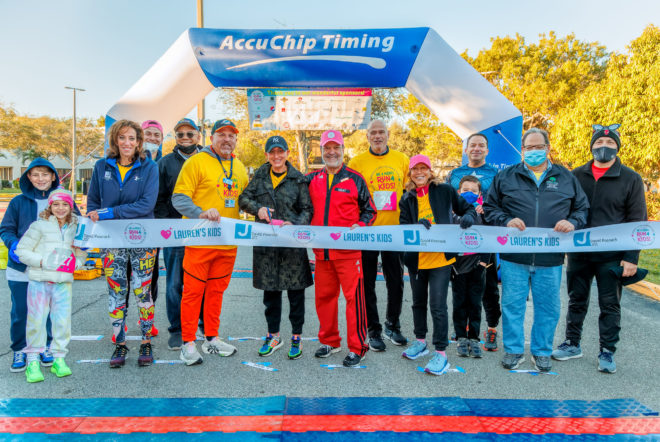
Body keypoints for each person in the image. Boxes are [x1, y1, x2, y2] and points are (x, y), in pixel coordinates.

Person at [484, 128, 589, 372]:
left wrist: (572, 222)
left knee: (548, 308)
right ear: (522, 150)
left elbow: (582, 210)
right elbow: (490, 208)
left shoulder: (565, 177)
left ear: (547, 148)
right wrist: (506, 220)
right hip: (514, 256)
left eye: (537, 147)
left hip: (550, 258)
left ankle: (541, 351)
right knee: (512, 306)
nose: (533, 151)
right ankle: (513, 350)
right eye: (528, 148)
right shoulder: (506, 177)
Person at [552, 124, 647, 373]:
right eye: (598, 144)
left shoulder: (631, 178)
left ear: (617, 147)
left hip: (612, 255)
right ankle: (572, 343)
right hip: (579, 252)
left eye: (610, 144)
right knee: (576, 300)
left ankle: (607, 351)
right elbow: (564, 209)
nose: (603, 148)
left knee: (610, 304)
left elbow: (637, 220)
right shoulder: (576, 175)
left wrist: (631, 257)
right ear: (591, 146)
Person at [172, 119, 249, 366]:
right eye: (221, 134)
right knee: (193, 293)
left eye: (231, 135)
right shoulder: (196, 162)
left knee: (216, 292)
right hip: (199, 241)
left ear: (236, 139)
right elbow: (179, 198)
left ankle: (211, 338)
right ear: (211, 137)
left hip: (228, 244)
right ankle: (187, 343)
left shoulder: (238, 166)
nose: (227, 139)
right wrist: (200, 212)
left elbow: (243, 200)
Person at [87, 119, 159, 368]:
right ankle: (119, 343)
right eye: (122, 138)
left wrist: (110, 213)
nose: (127, 143)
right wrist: (100, 215)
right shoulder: (101, 166)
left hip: (143, 239)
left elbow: (146, 205)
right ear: (115, 140)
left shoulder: (149, 167)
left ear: (139, 142)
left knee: (142, 291)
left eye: (132, 138)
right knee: (116, 292)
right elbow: (93, 204)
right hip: (111, 241)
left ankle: (146, 340)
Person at [399, 154, 476, 375]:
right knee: (417, 303)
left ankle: (441, 352)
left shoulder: (444, 190)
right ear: (410, 173)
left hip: (440, 259)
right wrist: (416, 225)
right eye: (415, 169)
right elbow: (404, 228)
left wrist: (469, 216)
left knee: (438, 305)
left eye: (424, 168)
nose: (419, 172)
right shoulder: (406, 198)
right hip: (417, 260)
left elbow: (467, 208)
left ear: (431, 172)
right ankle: (420, 341)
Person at [239, 135, 313, 359]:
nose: (277, 156)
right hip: (267, 247)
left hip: (292, 246)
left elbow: (307, 210)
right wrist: (257, 209)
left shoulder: (298, 179)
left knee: (295, 295)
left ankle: (296, 337)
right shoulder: (260, 175)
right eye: (272, 152)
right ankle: (273, 336)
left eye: (280, 152)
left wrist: (295, 224)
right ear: (267, 155)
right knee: (270, 295)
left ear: (287, 154)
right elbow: (243, 199)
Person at [307, 129, 376, 367]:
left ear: (343, 150)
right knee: (324, 298)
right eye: (327, 148)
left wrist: (362, 223)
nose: (332, 152)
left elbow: (370, 210)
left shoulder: (356, 179)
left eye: (336, 147)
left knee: (353, 300)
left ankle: (357, 347)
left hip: (349, 254)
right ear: (322, 151)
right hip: (321, 252)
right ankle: (330, 341)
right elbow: (301, 208)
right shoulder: (312, 179)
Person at [347, 119, 410, 350]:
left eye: (381, 132)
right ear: (367, 137)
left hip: (393, 231)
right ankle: (373, 330)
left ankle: (392, 325)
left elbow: (409, 192)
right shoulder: (357, 161)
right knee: (368, 283)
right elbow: (352, 197)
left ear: (388, 134)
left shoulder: (402, 159)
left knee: (396, 282)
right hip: (368, 232)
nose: (377, 136)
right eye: (372, 132)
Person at [15, 189, 86, 382]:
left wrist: (76, 264)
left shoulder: (76, 227)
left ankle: (59, 359)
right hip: (39, 281)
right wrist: (42, 262)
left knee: (62, 322)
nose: (60, 208)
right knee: (36, 321)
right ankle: (32, 361)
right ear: (50, 206)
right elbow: (22, 250)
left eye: (65, 204)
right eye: (56, 204)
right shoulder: (39, 226)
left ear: (71, 207)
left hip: (62, 283)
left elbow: (81, 253)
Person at [0, 159, 62, 372]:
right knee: (21, 311)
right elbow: (6, 229)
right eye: (35, 174)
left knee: (47, 311)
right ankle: (20, 349)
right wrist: (13, 245)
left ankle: (45, 346)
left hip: (50, 268)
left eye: (45, 174)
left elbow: (77, 227)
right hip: (20, 269)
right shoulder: (18, 202)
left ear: (53, 176)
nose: (40, 179)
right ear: (28, 177)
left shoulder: (61, 201)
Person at [446, 133, 501, 351]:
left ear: (487, 150)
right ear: (466, 149)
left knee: (488, 289)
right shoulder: (455, 174)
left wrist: (486, 211)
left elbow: (501, 202)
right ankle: (462, 331)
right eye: (473, 145)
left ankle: (491, 328)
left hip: (485, 241)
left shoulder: (496, 174)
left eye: (481, 145)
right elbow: (446, 201)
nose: (477, 148)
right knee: (461, 290)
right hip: (460, 243)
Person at [154, 118, 202, 351]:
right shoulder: (164, 163)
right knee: (175, 283)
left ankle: (200, 324)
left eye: (189, 134)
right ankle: (177, 329)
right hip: (175, 232)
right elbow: (159, 199)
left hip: (204, 232)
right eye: (180, 134)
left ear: (198, 136)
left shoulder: (209, 160)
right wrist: (169, 227)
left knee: (201, 282)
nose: (185, 138)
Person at [451, 175, 489, 358]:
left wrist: (483, 262)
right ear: (459, 192)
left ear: (480, 194)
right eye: (465, 190)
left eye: (473, 191)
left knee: (475, 303)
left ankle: (473, 338)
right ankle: (460, 337)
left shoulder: (483, 212)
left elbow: (491, 238)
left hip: (477, 265)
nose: (469, 193)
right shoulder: (452, 211)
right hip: (458, 266)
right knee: (459, 303)